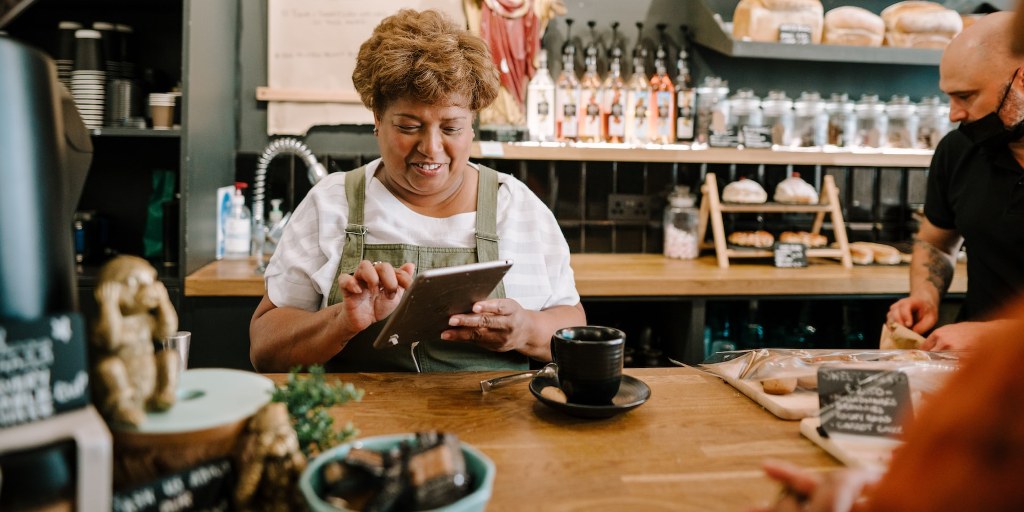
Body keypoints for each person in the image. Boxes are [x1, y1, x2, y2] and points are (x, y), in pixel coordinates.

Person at [249, 9, 586, 373]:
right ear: (377, 118)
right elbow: (264, 348)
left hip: (497, 423)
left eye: (452, 128)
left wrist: (526, 330)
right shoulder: (331, 204)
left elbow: (573, 326)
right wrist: (341, 322)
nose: (431, 148)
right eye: (410, 126)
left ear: (472, 124)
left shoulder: (518, 208)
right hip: (363, 426)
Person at [887, 11, 1024, 352]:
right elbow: (936, 242)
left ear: (1022, 81)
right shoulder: (960, 149)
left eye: (966, 96)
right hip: (978, 379)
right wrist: (925, 295)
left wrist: (991, 336)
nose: (954, 114)